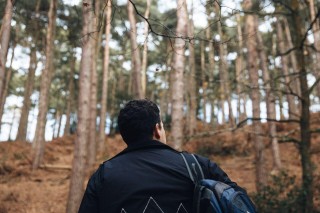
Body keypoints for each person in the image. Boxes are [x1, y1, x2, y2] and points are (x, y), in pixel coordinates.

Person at [78, 99, 249, 213]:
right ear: (157, 129)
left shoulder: (104, 175)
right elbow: (241, 204)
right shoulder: (196, 165)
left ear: (125, 135)